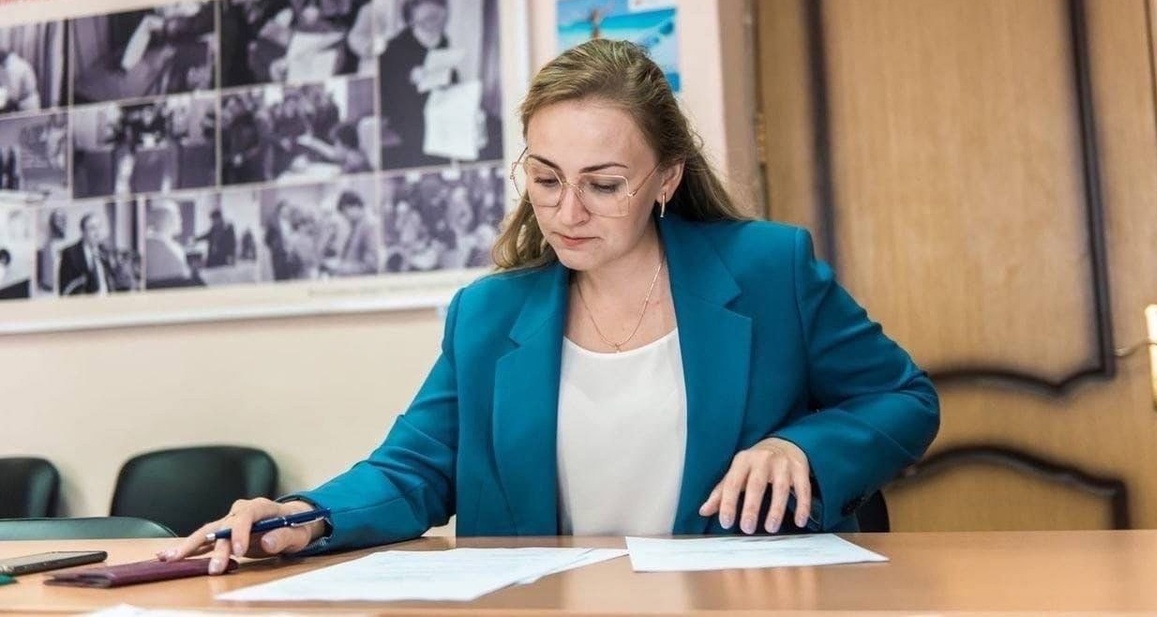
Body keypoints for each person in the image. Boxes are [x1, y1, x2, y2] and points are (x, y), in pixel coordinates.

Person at [163, 38, 939, 573]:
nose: (567, 212)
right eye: (545, 178)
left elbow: (903, 399)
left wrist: (802, 448)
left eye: (604, 184)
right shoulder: (488, 314)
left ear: (666, 179)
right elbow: (414, 466)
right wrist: (304, 514)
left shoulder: (768, 269)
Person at [378, 0, 454, 169]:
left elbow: (449, 74)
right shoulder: (394, 47)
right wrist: (408, 78)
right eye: (430, 18)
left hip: (437, 106)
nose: (437, 23)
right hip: (407, 111)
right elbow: (385, 92)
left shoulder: (443, 41)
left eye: (441, 18)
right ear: (412, 21)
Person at [58, 212, 115, 295]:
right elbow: (65, 290)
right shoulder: (70, 254)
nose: (97, 233)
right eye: (92, 228)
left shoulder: (105, 251)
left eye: (99, 227)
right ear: (83, 231)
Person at [0, 48, 40, 113]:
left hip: (26, 106)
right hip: (20, 104)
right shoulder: (7, 65)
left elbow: (13, 96)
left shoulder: (14, 67)